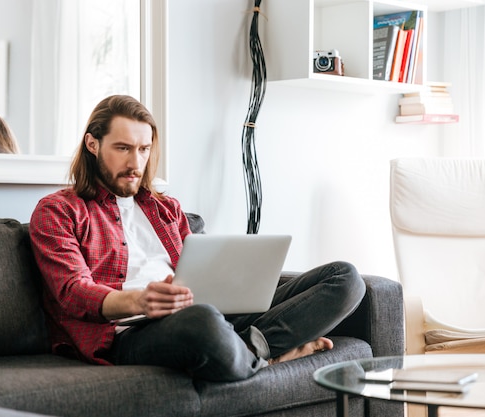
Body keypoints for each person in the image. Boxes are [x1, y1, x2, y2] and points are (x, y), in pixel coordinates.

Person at [29, 95, 366, 382]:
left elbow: (201, 274)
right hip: (131, 332)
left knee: (346, 279)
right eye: (122, 148)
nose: (136, 162)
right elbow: (73, 291)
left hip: (206, 313)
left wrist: (235, 283)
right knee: (203, 324)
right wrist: (139, 301)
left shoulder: (166, 209)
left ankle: (246, 351)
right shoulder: (58, 211)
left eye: (144, 149)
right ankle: (268, 354)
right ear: (92, 144)